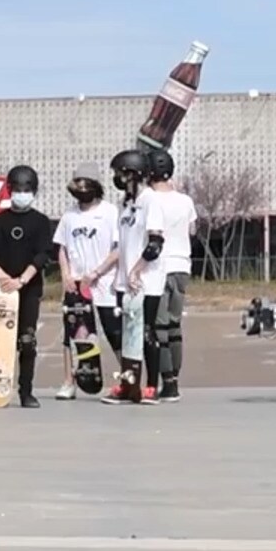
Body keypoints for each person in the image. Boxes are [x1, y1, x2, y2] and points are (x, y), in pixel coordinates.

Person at [0, 165, 57, 407]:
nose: (22, 193)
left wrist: (22, 279)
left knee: (26, 340)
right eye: (18, 189)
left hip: (29, 289)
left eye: (27, 189)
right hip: (0, 291)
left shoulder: (41, 222)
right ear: (10, 191)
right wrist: (2, 276)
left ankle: (26, 391)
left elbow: (44, 255)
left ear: (34, 191)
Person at [53, 162, 121, 399]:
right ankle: (69, 381)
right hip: (76, 282)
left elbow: (118, 248)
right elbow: (61, 248)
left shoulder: (110, 212)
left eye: (86, 184)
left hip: (103, 281)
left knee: (113, 330)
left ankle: (127, 378)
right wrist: (65, 275)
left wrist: (98, 272)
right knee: (72, 334)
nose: (81, 188)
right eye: (77, 184)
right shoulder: (69, 216)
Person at [136, 147, 197, 403]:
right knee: (174, 327)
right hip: (182, 265)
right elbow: (192, 230)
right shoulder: (185, 201)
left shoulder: (147, 198)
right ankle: (175, 380)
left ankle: (168, 382)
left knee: (157, 328)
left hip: (157, 267)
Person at [100, 148, 158, 405]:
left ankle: (152, 386)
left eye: (120, 174)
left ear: (133, 174)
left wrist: (136, 270)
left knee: (145, 333)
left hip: (147, 281)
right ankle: (128, 384)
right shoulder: (126, 205)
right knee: (128, 337)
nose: (117, 179)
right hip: (126, 281)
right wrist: (119, 276)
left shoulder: (150, 200)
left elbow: (155, 243)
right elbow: (124, 246)